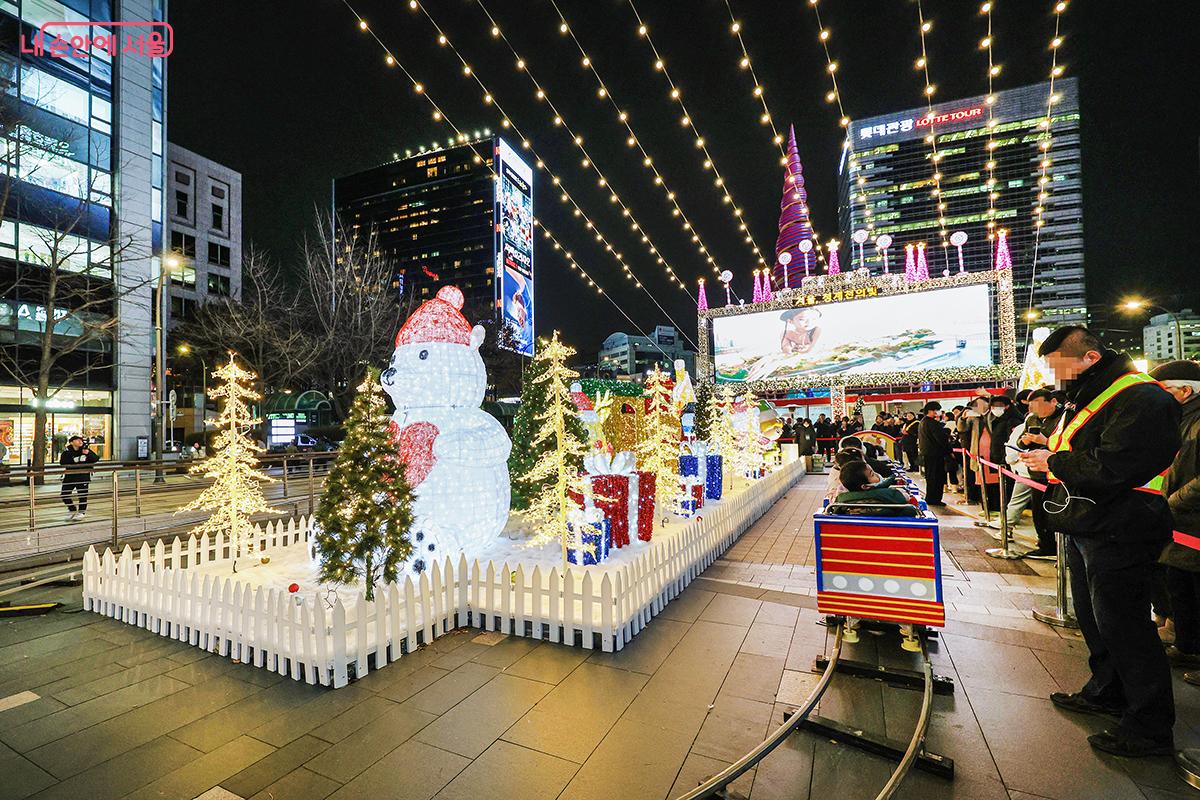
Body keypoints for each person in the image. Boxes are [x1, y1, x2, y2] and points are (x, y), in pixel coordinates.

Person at [1019, 326, 1180, 757]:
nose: (1056, 379)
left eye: (1060, 368)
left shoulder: (1142, 397)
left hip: (1122, 526)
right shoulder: (1091, 396)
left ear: (1090, 358)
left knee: (1126, 625)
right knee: (1095, 619)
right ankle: (1107, 690)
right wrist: (1050, 457)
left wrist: (1055, 462)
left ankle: (1149, 726)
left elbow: (1115, 466)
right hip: (1088, 522)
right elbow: (1080, 451)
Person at [1146, 361, 1200, 678]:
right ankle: (1187, 646)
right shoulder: (1180, 419)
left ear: (1185, 390)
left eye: (1163, 391)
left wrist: (1172, 502)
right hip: (1177, 520)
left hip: (1190, 519)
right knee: (1181, 585)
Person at [1017, 388, 1066, 559]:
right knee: (1039, 512)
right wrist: (1024, 441)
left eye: (1039, 405)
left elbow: (1066, 445)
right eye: (1032, 406)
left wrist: (1045, 441)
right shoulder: (1032, 418)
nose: (1035, 410)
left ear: (1053, 402)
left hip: (1056, 473)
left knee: (1057, 512)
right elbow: (1020, 442)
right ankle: (1045, 544)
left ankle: (1061, 550)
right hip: (1036, 473)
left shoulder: (1064, 418)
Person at [834, 460, 919, 516]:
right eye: (872, 474)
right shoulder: (885, 493)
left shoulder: (842, 500)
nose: (876, 475)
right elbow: (904, 498)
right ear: (865, 486)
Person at [918, 402, 951, 507]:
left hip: (927, 453)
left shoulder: (923, 422)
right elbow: (940, 439)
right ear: (930, 411)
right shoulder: (933, 423)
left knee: (930, 477)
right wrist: (949, 450)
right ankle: (935, 499)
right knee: (937, 477)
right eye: (937, 410)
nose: (938, 412)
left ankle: (930, 497)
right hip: (936, 454)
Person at [59, 435, 99, 521]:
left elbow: (95, 458)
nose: (80, 441)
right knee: (64, 494)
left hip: (83, 476)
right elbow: (62, 462)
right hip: (70, 476)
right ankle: (72, 509)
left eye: (81, 440)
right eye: (77, 440)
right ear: (71, 442)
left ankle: (81, 512)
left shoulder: (85, 449)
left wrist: (88, 454)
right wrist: (75, 460)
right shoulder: (67, 451)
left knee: (82, 495)